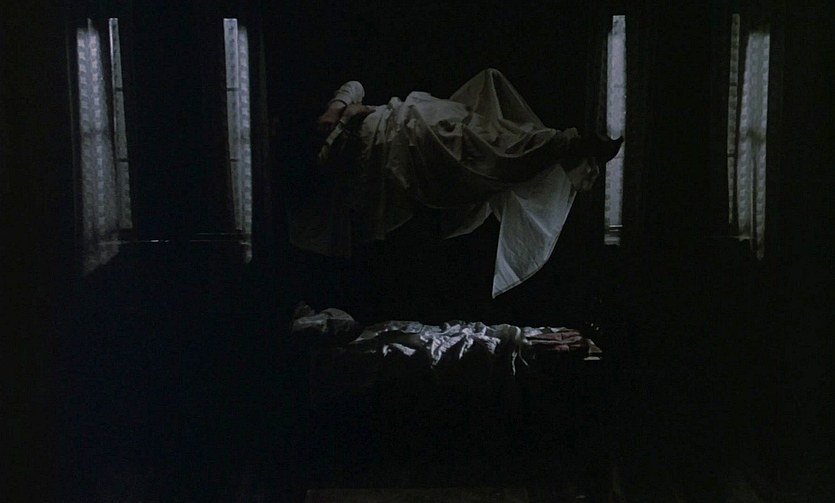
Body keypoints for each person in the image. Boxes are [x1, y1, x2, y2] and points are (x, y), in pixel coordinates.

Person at [289, 68, 622, 297]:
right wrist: (346, 120)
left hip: (412, 120)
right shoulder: (325, 172)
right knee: (480, 155)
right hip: (404, 159)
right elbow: (338, 175)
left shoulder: (332, 120)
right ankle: (564, 147)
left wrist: (336, 109)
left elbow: (353, 86)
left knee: (481, 133)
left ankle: (564, 146)